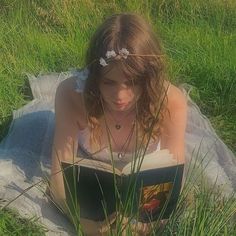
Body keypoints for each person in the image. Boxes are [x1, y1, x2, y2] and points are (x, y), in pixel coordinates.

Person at [49, 13, 187, 235]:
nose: (120, 96)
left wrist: (145, 226)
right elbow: (58, 178)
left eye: (132, 82)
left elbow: (173, 182)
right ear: (95, 78)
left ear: (148, 78)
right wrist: (86, 223)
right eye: (108, 82)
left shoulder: (170, 102)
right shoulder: (70, 95)